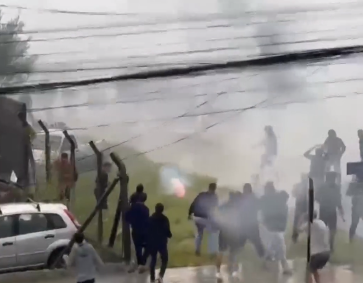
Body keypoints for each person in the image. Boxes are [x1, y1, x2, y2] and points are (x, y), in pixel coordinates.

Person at [260, 182, 292, 274]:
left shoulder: (267, 199)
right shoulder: (276, 198)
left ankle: (269, 264)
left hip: (272, 228)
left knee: (274, 247)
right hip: (275, 228)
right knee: (276, 247)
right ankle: (284, 267)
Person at [212, 191, 244, 278]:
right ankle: (234, 270)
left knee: (221, 251)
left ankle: (218, 271)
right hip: (233, 232)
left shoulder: (223, 206)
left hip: (223, 231)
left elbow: (216, 215)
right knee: (234, 252)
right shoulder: (237, 207)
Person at [315, 171, 345, 251]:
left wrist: (341, 209)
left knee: (333, 230)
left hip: (332, 211)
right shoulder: (322, 187)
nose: (334, 180)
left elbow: (338, 200)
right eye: (332, 178)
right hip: (324, 210)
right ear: (328, 178)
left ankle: (331, 246)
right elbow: (316, 197)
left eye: (334, 178)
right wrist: (323, 201)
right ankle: (321, 245)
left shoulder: (337, 188)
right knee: (322, 229)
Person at [299, 211, 330, 283]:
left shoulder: (309, 224)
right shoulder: (321, 222)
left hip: (317, 254)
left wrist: (300, 220)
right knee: (313, 270)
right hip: (327, 252)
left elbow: (298, 231)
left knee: (308, 271)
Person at [188, 182, 219, 256]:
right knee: (212, 233)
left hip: (197, 217)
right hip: (205, 218)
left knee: (199, 234)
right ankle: (212, 252)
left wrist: (189, 214)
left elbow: (194, 203)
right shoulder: (214, 197)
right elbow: (215, 208)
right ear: (215, 189)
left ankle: (197, 250)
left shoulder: (201, 195)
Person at [125, 193, 150, 273]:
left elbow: (127, 218)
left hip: (136, 230)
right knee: (146, 247)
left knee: (136, 249)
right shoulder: (146, 209)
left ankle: (136, 265)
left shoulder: (131, 209)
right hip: (145, 230)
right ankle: (143, 264)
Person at [148, 203, 172, 283]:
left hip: (152, 242)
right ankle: (160, 275)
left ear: (155, 209)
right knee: (165, 259)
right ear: (162, 210)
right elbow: (167, 231)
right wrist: (169, 235)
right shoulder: (164, 219)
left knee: (153, 259)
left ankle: (152, 278)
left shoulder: (150, 219)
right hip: (162, 242)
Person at [291, 174, 308, 243]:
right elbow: (293, 194)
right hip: (300, 205)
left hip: (305, 205)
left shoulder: (307, 186)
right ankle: (295, 236)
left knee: (304, 221)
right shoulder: (298, 186)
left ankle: (296, 236)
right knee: (298, 221)